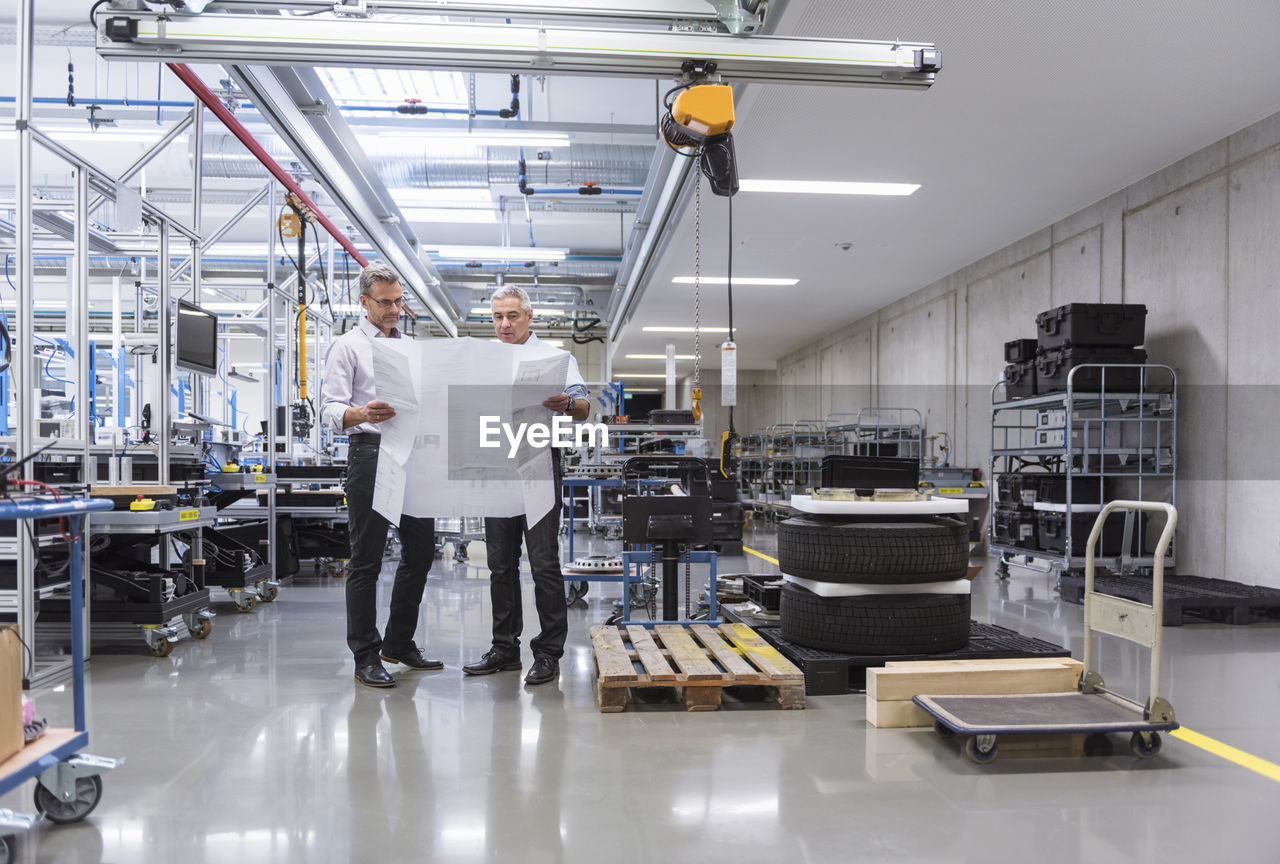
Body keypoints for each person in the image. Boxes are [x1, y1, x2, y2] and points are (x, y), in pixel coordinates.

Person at [321, 263, 441, 688]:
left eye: (398, 300)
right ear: (364, 301)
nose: (394, 309)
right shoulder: (347, 346)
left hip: (414, 456)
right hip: (371, 454)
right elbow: (330, 408)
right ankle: (366, 655)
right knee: (366, 559)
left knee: (421, 552)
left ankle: (399, 642)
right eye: (385, 302)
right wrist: (359, 413)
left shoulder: (412, 347)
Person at [463, 285, 590, 685]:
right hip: (495, 464)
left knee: (543, 563)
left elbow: (583, 406)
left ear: (529, 317)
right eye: (497, 317)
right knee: (500, 564)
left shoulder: (554, 358)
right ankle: (504, 648)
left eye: (512, 316)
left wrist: (567, 404)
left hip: (536, 461)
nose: (504, 324)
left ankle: (549, 653)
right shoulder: (482, 361)